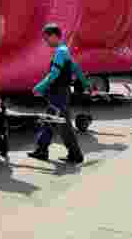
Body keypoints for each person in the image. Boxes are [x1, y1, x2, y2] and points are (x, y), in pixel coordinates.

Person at [27, 24, 88, 164]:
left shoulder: (60, 51)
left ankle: (75, 155)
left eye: (46, 38)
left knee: (63, 125)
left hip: (59, 94)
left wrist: (39, 87)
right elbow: (76, 68)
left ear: (54, 35)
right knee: (49, 120)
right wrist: (85, 84)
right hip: (59, 93)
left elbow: (54, 73)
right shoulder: (64, 50)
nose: (45, 41)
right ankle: (41, 150)